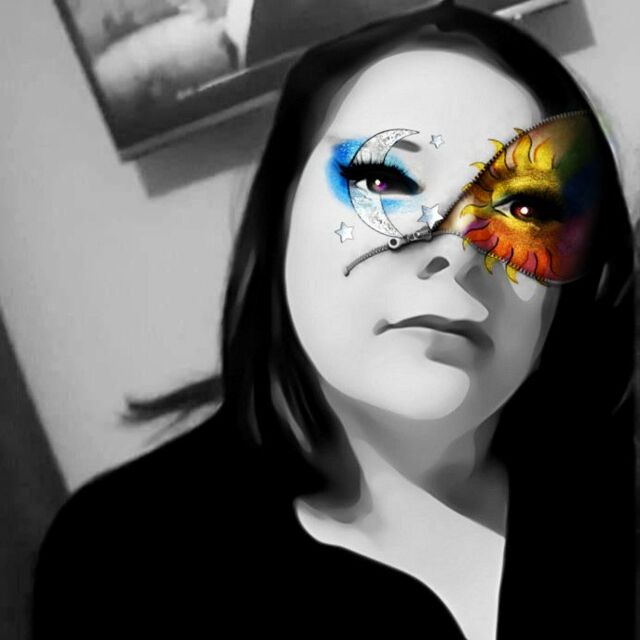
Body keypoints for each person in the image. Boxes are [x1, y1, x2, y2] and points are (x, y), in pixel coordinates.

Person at [32, 2, 635, 638]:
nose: (459, 250)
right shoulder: (124, 559)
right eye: (384, 180)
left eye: (526, 208)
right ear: (282, 218)